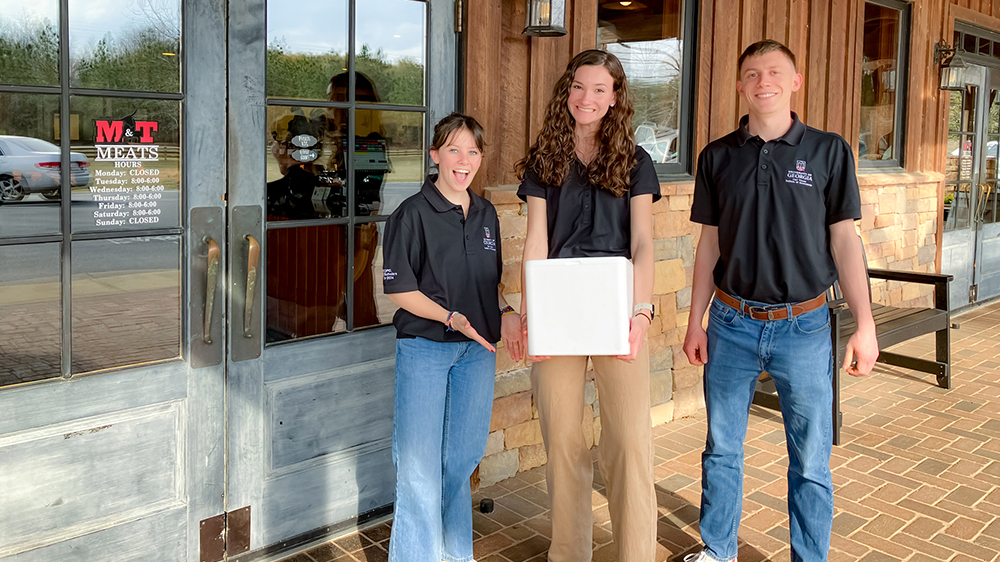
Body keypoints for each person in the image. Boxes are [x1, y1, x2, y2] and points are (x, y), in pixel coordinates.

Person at [682, 40, 879, 562]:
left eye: (774, 72)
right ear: (741, 86)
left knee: (811, 459)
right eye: (751, 73)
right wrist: (695, 319)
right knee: (722, 448)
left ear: (795, 81)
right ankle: (717, 550)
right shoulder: (717, 156)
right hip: (731, 321)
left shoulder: (828, 151)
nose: (762, 80)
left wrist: (866, 324)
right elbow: (710, 244)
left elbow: (844, 242)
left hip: (806, 326)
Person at [516, 49, 660, 562]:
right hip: (558, 306)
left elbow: (643, 242)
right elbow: (536, 240)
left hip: (619, 306)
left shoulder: (636, 161)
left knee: (628, 442)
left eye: (600, 89)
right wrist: (531, 314)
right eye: (579, 86)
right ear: (566, 91)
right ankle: (569, 553)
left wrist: (642, 312)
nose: (587, 98)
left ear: (615, 97)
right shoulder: (546, 159)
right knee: (563, 442)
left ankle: (636, 555)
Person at [382, 112, 524, 562]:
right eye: (454, 150)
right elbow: (401, 291)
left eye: (473, 152)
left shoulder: (485, 214)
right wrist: (450, 317)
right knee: (419, 468)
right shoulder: (411, 215)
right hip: (425, 348)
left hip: (476, 353)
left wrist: (505, 313)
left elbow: (488, 284)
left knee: (460, 461)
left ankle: (455, 554)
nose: (464, 161)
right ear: (435, 155)